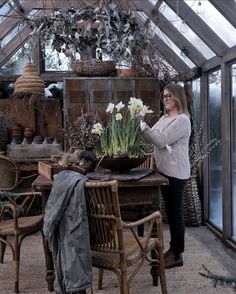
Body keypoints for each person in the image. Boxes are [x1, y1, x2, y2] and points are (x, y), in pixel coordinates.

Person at [140, 83, 191, 269]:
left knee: (175, 213)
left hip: (176, 173)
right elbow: (150, 136)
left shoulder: (182, 120)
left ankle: (177, 254)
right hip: (165, 172)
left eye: (170, 96)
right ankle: (173, 249)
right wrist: (140, 128)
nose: (166, 99)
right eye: (164, 96)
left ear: (178, 97)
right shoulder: (164, 118)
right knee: (170, 212)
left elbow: (160, 141)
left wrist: (141, 124)